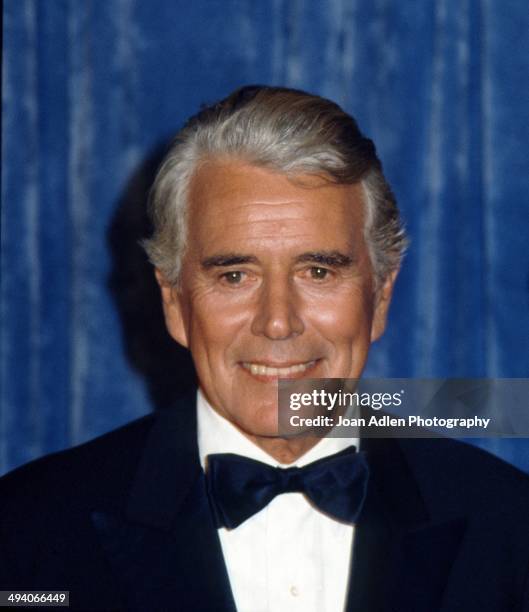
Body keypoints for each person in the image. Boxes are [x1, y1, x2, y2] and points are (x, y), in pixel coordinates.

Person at [1, 85, 529, 611]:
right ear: (174, 302)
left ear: (382, 295)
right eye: (234, 275)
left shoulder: (509, 525)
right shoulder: (28, 533)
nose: (278, 322)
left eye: (318, 271)